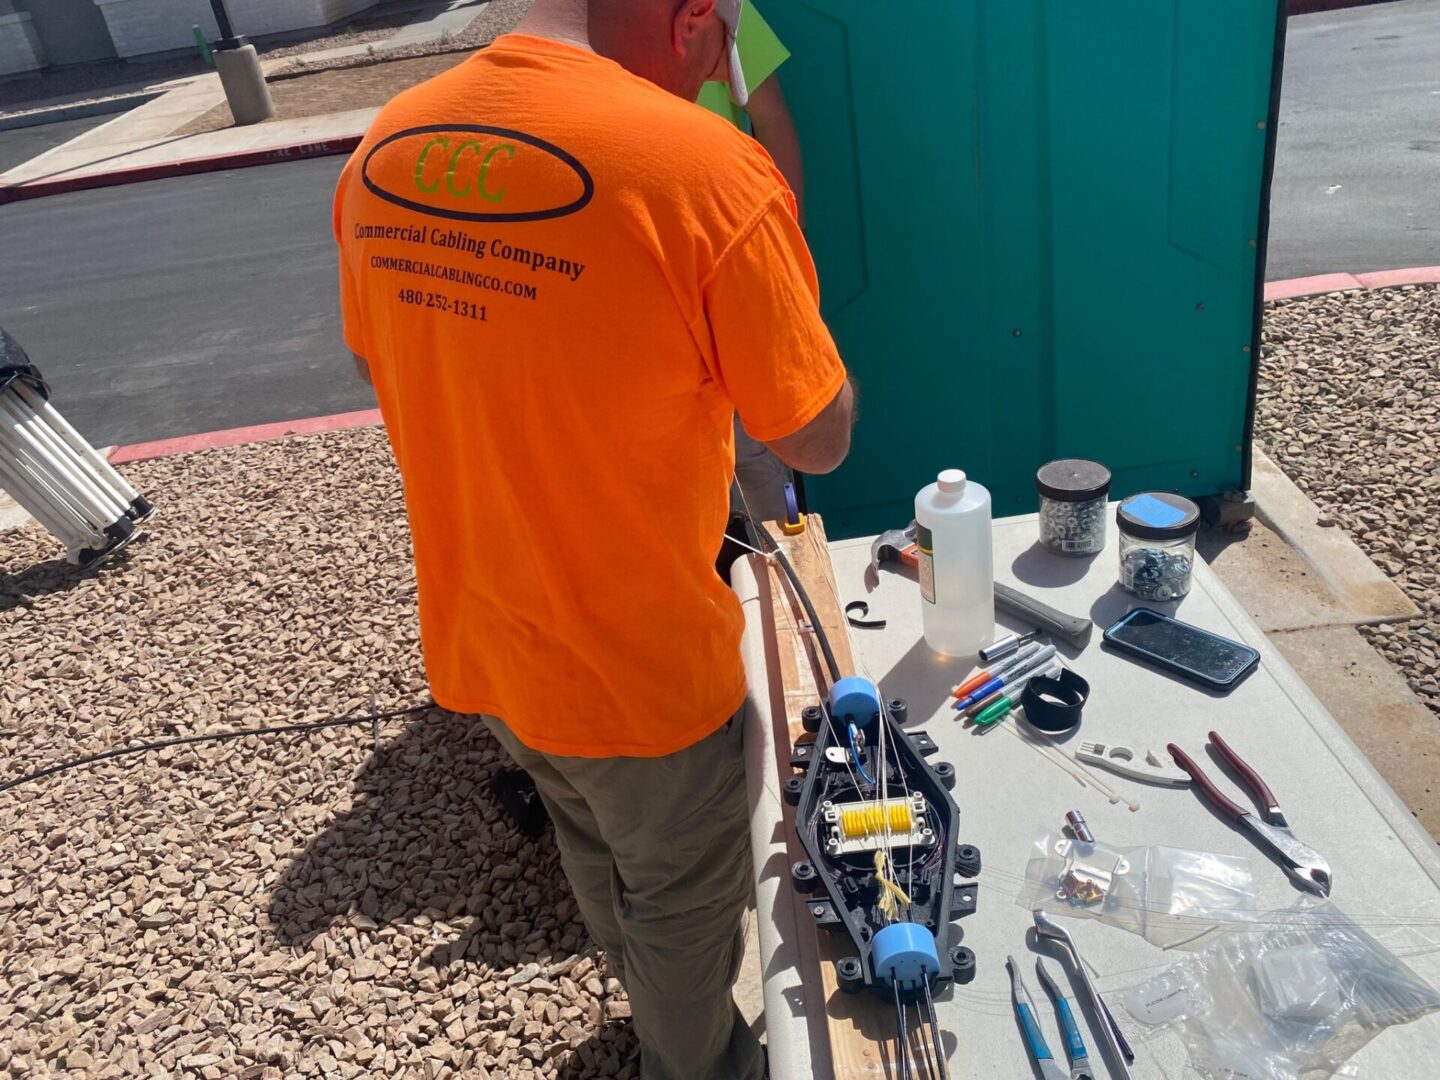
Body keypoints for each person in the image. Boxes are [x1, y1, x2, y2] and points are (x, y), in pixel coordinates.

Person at [331, 1, 854, 1077]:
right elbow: (819, 435)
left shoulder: (387, 145)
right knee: (682, 895)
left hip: (489, 642)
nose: (719, 67)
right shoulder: (700, 165)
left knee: (589, 835)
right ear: (691, 18)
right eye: (721, 43)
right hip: (643, 671)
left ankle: (655, 1013)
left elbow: (382, 361)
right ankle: (694, 1061)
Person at [696, 3, 806, 522]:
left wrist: (788, 245)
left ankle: (779, 571)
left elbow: (772, 119)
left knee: (753, 447)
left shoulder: (728, 10)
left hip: (726, 250)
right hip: (645, 260)